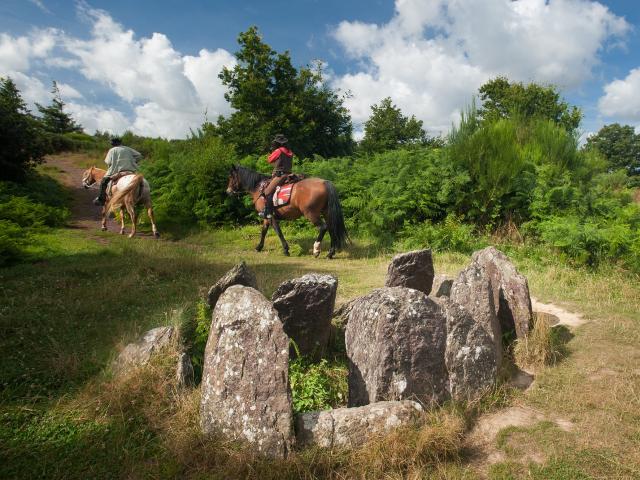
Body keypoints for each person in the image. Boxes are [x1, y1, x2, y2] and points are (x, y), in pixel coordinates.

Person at [93, 137, 143, 206]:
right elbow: (139, 155)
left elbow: (108, 162)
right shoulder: (127, 148)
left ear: (113, 144)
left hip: (116, 171)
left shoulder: (112, 150)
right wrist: (133, 161)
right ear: (120, 143)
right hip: (130, 170)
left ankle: (101, 200)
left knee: (103, 182)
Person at [261, 133, 293, 219]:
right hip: (289, 174)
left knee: (267, 191)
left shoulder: (278, 151)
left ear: (277, 143)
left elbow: (269, 159)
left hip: (280, 175)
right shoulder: (290, 151)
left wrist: (272, 151)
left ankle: (269, 213)